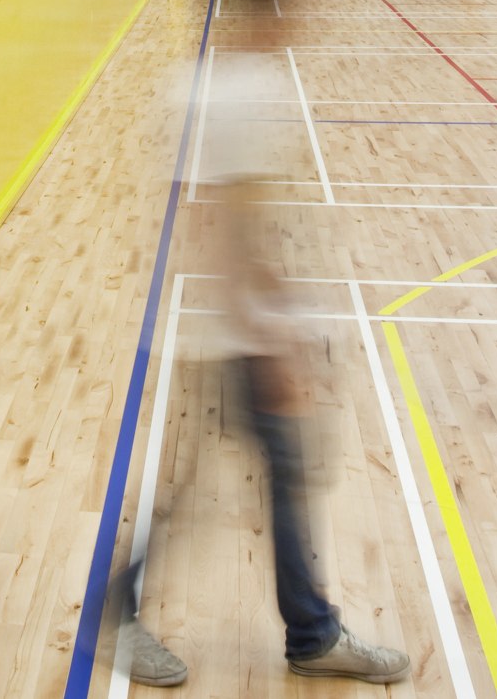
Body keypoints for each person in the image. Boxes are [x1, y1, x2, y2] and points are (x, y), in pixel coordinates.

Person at [114, 145, 414, 688]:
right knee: (208, 490)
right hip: (232, 342)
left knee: (229, 484)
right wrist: (268, 339)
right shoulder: (232, 91)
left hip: (233, 335)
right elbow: (226, 235)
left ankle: (311, 632)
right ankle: (309, 635)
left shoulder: (244, 83)